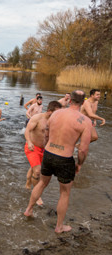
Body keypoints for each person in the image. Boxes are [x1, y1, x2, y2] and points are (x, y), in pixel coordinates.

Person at [24, 90, 92, 233]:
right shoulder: (85, 121)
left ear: (70, 100)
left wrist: (47, 147)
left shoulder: (55, 114)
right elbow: (83, 150)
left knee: (42, 183)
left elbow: (46, 135)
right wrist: (79, 164)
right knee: (64, 193)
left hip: (49, 153)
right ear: (83, 102)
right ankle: (59, 226)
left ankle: (28, 210)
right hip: (65, 158)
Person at [24, 101, 62, 205]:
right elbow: (27, 131)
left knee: (34, 167)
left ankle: (28, 183)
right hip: (32, 147)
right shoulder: (37, 118)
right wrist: (29, 141)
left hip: (45, 150)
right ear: (49, 111)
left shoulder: (55, 121)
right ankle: (37, 196)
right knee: (37, 171)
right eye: (56, 113)